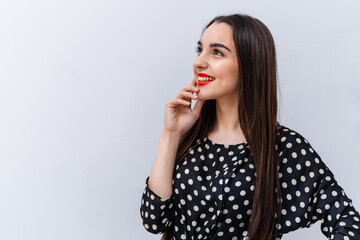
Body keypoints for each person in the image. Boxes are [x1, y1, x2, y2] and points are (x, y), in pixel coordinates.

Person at [139, 14, 360, 240]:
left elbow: (349, 224)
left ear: (249, 63)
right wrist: (170, 134)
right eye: (200, 49)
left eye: (217, 52)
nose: (199, 62)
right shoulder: (189, 136)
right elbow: (153, 219)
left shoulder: (283, 148)